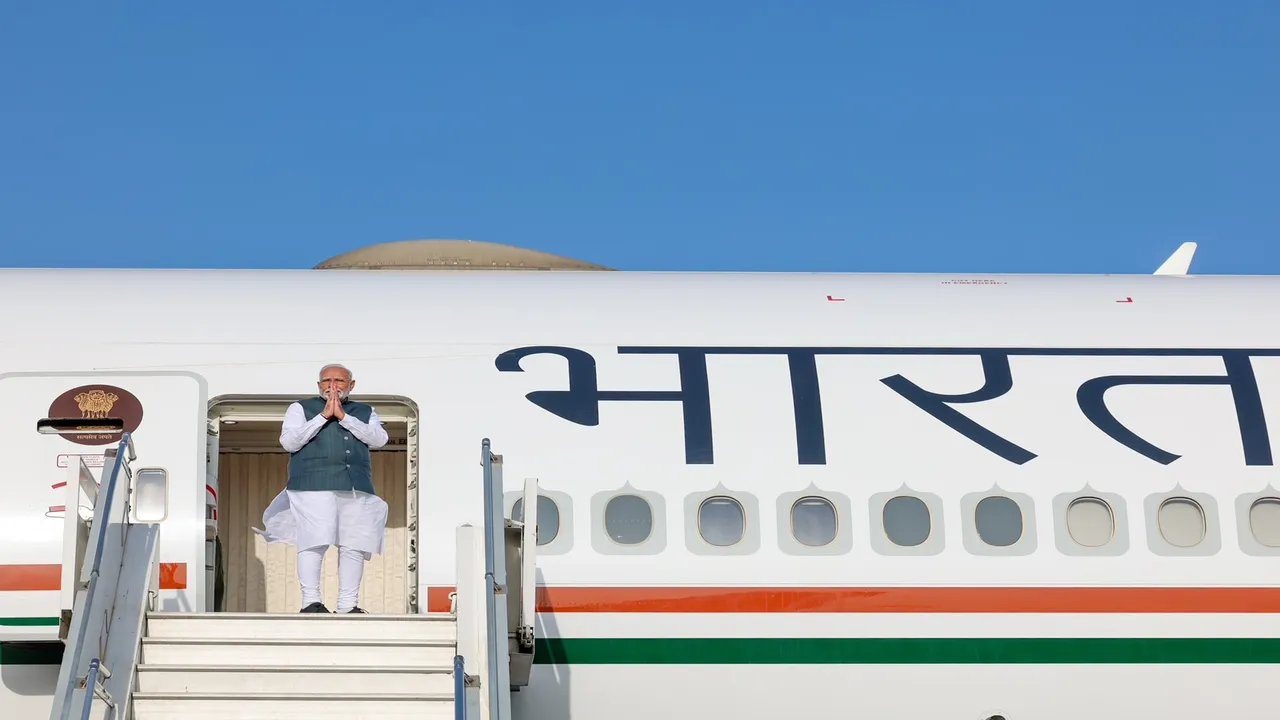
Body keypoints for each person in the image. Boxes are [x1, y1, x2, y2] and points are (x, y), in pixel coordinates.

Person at [254, 363, 390, 614]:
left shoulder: (365, 411)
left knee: (354, 544)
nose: (332, 386)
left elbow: (379, 439)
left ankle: (348, 605)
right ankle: (311, 602)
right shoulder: (300, 408)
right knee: (313, 541)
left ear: (351, 385)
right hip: (312, 485)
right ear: (319, 385)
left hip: (356, 486)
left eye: (339, 381)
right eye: (327, 381)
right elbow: (289, 442)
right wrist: (323, 416)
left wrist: (344, 418)